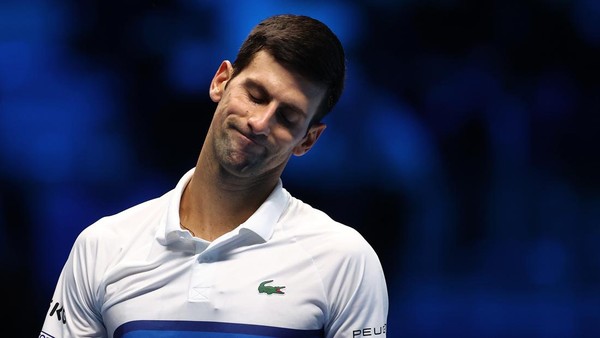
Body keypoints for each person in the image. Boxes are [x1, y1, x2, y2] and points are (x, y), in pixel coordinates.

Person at [40, 14, 388, 338]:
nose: (261, 122)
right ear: (221, 81)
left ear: (308, 139)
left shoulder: (345, 260)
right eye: (255, 95)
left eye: (288, 118)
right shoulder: (102, 245)